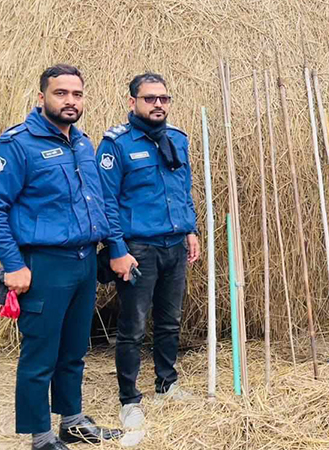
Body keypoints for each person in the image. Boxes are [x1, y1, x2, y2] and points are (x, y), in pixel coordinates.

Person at [0, 65, 121, 450]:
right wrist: (12, 265)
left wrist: (113, 248)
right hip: (43, 266)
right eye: (61, 93)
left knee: (73, 350)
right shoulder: (18, 145)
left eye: (77, 94)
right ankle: (41, 437)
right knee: (41, 356)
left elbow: (99, 201)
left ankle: (72, 422)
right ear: (42, 98)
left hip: (83, 262)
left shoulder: (83, 144)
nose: (70, 101)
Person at [97, 73, 200, 429]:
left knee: (170, 321)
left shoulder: (177, 140)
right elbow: (106, 203)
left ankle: (166, 384)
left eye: (164, 99)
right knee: (134, 326)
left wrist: (191, 230)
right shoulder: (117, 144)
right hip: (138, 248)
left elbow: (183, 189)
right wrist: (117, 249)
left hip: (174, 244)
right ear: (133, 103)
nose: (158, 104)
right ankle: (129, 400)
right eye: (150, 98)